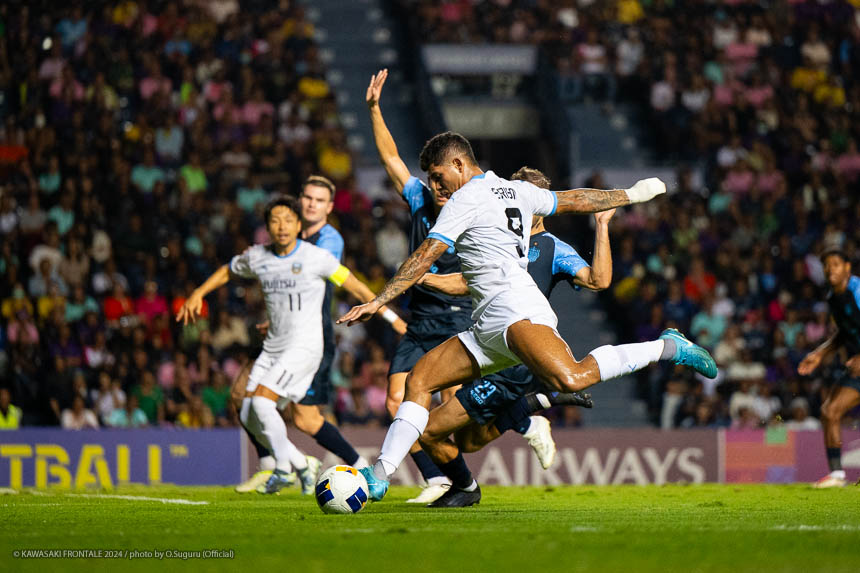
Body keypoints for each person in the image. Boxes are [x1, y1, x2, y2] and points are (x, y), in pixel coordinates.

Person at [338, 131, 717, 503]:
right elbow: (574, 199)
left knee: (571, 377)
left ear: (458, 163)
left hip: (516, 310)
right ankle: (382, 475)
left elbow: (425, 254)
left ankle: (666, 347)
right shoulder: (516, 190)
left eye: (438, 176)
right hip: (486, 323)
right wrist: (630, 194)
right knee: (419, 380)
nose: (435, 186)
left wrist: (379, 300)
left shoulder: (464, 199)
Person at [178, 196, 404, 495]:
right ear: (267, 227)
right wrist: (198, 293)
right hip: (273, 347)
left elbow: (355, 286)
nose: (282, 226)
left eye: (288, 220)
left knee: (262, 403)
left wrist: (391, 317)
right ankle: (301, 463)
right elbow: (227, 270)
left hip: (305, 347)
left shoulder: (316, 258)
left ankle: (283, 469)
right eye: (275, 220)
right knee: (248, 413)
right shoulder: (258, 257)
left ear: (298, 225)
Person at [415, 167, 610, 506]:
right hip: (488, 342)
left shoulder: (552, 247)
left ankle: (465, 488)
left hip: (515, 354)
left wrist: (602, 226)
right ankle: (535, 407)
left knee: (434, 430)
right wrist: (424, 278)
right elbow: (465, 283)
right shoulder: (501, 236)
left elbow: (598, 280)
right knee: (470, 441)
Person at [367, 69, 475, 503]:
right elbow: (391, 159)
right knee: (396, 402)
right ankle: (437, 479)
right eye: (429, 180)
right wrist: (374, 110)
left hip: (458, 319)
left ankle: (527, 415)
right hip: (420, 321)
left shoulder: (475, 208)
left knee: (452, 413)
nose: (435, 187)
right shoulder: (418, 199)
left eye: (439, 178)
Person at [797, 248, 860, 488]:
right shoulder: (834, 298)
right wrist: (819, 354)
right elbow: (844, 332)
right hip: (857, 367)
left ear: (847, 267)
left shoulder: (857, 291)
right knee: (830, 411)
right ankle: (837, 476)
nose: (829, 269)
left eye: (835, 264)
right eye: (826, 265)